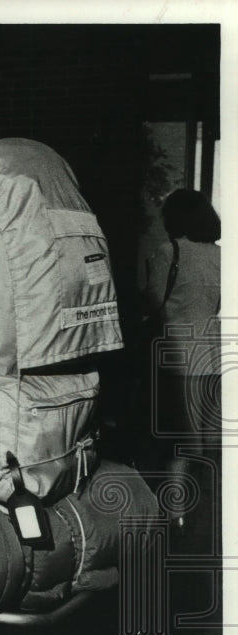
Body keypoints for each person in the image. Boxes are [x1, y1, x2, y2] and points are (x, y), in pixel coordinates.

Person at [141, 189, 221, 523]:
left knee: (180, 437)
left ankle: (176, 512)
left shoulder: (168, 251)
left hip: (176, 355)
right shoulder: (221, 257)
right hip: (212, 354)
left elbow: (154, 303)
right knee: (202, 436)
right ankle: (196, 512)